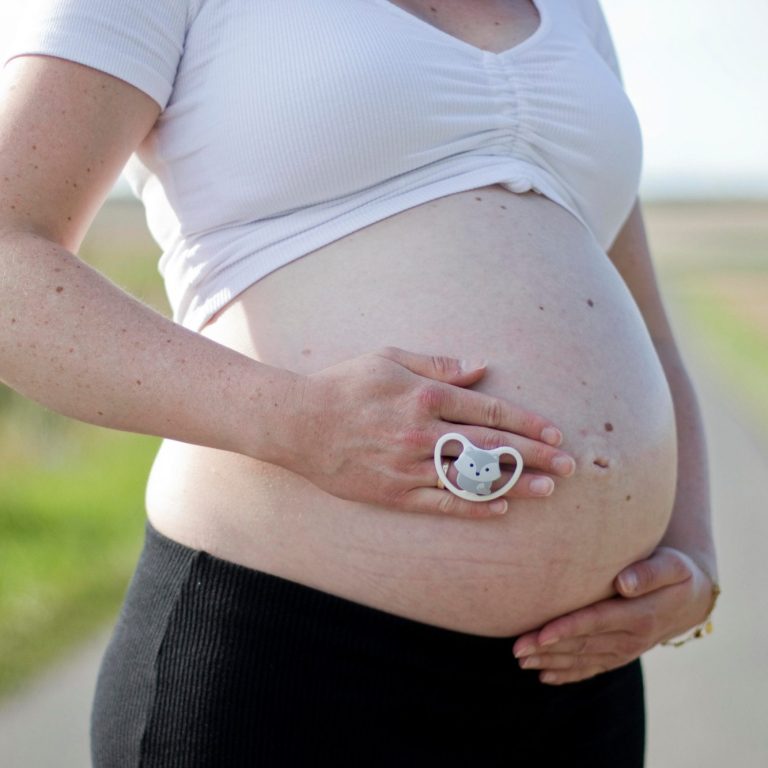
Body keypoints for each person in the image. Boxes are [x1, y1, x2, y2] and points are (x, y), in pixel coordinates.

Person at [0, 0, 719, 765]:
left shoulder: (575, 12)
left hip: (578, 683)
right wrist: (296, 419)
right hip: (282, 656)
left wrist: (694, 551)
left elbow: (654, 331)